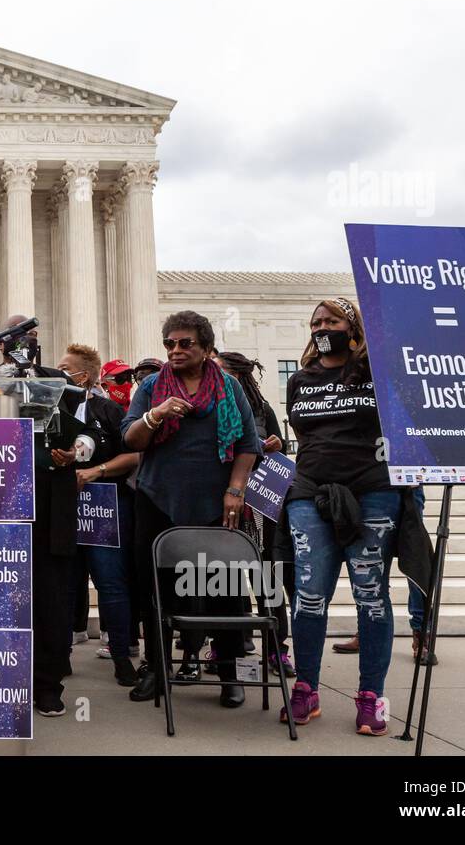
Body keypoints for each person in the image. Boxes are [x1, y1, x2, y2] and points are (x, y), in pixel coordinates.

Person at [282, 297, 428, 736]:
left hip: (374, 491)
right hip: (310, 493)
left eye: (332, 320)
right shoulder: (300, 380)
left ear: (353, 327)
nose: (323, 327)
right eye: (316, 322)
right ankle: (306, 687)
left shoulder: (378, 374)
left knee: (370, 592)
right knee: (308, 594)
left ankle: (371, 696)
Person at [122, 311, 263, 709]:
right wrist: (156, 414)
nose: (176, 350)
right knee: (156, 588)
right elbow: (131, 440)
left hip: (215, 505)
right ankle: (156, 667)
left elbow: (248, 444)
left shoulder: (229, 387)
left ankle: (230, 671)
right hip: (157, 500)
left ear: (205, 348)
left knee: (223, 590)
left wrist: (236, 490)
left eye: (186, 343)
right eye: (170, 343)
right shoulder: (151, 386)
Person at [0, 313, 84, 716]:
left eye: (30, 334)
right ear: (2, 342)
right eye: (16, 336)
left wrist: (78, 451)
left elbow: (87, 431)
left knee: (50, 596)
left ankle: (47, 683)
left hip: (50, 500)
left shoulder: (61, 384)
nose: (24, 341)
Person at [60, 344, 142, 688]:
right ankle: (57, 657)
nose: (59, 374)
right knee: (62, 586)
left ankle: (122, 656)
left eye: (66, 370)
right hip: (64, 510)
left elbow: (135, 455)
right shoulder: (52, 409)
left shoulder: (107, 410)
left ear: (86, 376)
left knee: (110, 583)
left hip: (106, 507)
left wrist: (96, 471)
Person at [217, 350, 295, 677]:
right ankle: (230, 647)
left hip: (260, 507)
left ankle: (277, 649)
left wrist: (275, 444)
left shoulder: (262, 411)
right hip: (224, 504)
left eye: (221, 371)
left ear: (238, 375)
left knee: (267, 577)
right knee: (226, 580)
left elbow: (284, 450)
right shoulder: (212, 407)